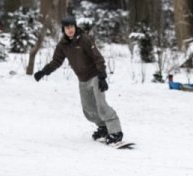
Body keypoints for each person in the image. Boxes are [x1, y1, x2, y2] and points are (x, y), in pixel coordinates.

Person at [33, 16, 125, 145]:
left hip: (95, 76)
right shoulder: (63, 45)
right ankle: (103, 127)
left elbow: (98, 58)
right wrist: (44, 71)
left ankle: (116, 132)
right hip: (82, 79)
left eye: (72, 27)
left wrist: (102, 76)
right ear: (63, 29)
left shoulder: (84, 39)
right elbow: (56, 61)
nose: (70, 30)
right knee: (88, 109)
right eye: (67, 28)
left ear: (75, 27)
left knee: (101, 105)